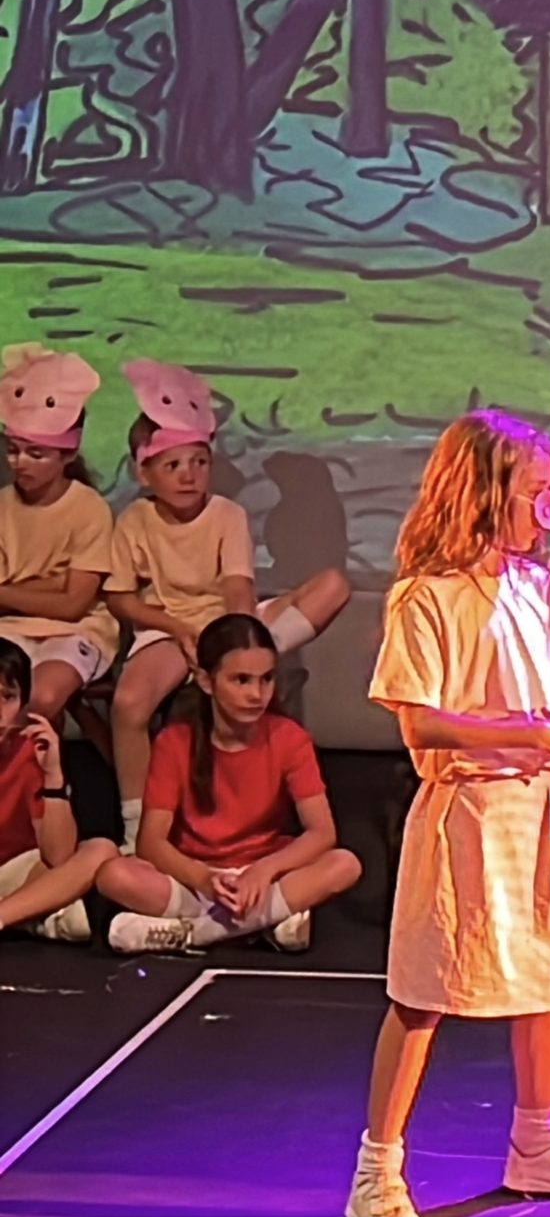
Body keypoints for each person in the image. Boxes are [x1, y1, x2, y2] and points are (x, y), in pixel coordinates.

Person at [343, 410, 550, 1217]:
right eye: (533, 491)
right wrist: (528, 734)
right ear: (485, 492)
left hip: (546, 807)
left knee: (549, 976)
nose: (547, 508)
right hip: (468, 813)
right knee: (424, 991)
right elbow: (420, 724)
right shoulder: (425, 598)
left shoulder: (536, 588)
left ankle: (539, 1144)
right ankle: (378, 1170)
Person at [105, 359, 350, 851]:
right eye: (173, 465)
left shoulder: (226, 514)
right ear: (144, 472)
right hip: (171, 628)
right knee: (129, 704)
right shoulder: (135, 520)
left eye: (199, 463)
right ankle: (137, 828)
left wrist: (235, 642)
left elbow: (238, 587)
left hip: (229, 620)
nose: (188, 476)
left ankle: (249, 658)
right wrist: (177, 628)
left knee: (333, 585)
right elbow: (121, 598)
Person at [95, 614, 361, 953]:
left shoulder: (289, 738)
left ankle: (197, 934)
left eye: (266, 679)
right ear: (207, 681)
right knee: (114, 875)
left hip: (261, 874)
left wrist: (264, 871)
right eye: (241, 680)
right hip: (197, 879)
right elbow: (151, 842)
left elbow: (322, 833)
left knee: (344, 864)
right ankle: (261, 924)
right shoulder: (175, 742)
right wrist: (204, 879)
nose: (257, 694)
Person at [0, 346, 117, 738]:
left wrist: (11, 590)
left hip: (77, 632)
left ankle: (43, 774)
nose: (19, 462)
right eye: (13, 451)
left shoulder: (89, 509)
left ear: (66, 456)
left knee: (41, 697)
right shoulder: (2, 506)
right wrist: (54, 583)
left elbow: (73, 605)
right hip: (9, 630)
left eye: (36, 454)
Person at [0, 639, 115, 940]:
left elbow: (58, 857)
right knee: (75, 921)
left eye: (8, 697)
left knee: (100, 849)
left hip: (14, 871)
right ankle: (38, 917)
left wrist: (53, 776)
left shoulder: (31, 749)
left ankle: (8, 916)